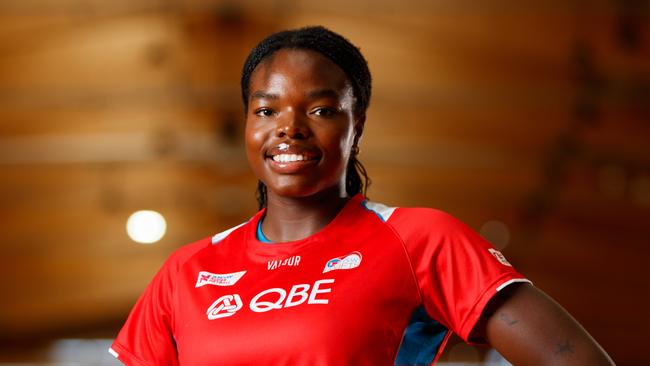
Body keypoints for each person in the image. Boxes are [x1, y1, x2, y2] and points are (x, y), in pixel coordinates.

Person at [109, 26, 614, 365]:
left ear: (358, 125)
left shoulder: (418, 239)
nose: (289, 129)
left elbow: (569, 356)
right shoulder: (186, 272)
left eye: (321, 110)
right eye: (266, 111)